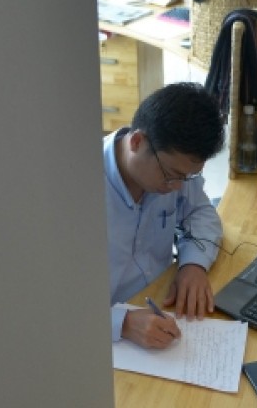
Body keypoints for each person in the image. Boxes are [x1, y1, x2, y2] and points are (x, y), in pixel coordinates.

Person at [105, 82, 226, 349]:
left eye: (186, 177)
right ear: (137, 141)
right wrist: (120, 322)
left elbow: (201, 212)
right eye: (172, 175)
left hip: (161, 303)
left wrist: (193, 264)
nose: (178, 187)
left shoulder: (174, 170)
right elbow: (45, 302)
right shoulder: (70, 194)